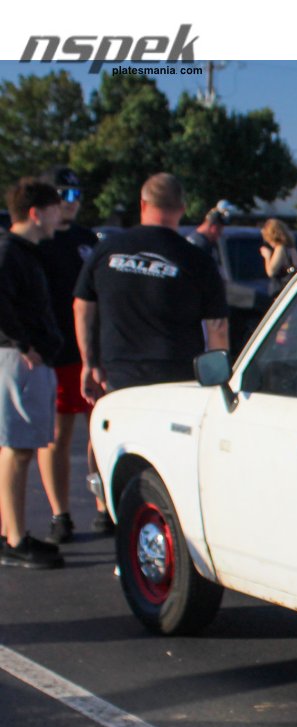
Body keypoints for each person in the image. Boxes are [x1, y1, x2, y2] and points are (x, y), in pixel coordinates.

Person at [75, 173, 229, 399]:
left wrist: (89, 363)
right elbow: (218, 327)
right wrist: (217, 378)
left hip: (118, 373)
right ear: (182, 209)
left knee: (116, 433)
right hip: (176, 376)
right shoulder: (197, 260)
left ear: (143, 204)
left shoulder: (107, 249)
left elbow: (82, 308)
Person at [36, 166, 108, 542]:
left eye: (78, 195)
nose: (73, 203)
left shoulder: (87, 241)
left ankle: (103, 506)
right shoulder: (37, 243)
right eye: (65, 195)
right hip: (58, 352)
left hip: (92, 351)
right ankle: (59, 513)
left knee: (99, 429)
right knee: (58, 436)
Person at [0, 178, 65, 569]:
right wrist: (23, 344)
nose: (61, 214)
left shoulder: (22, 251)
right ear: (36, 213)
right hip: (18, 361)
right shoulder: (9, 252)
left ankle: (14, 534)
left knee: (19, 449)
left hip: (24, 358)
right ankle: (16, 539)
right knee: (17, 449)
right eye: (56, 207)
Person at [259, 218, 297, 297]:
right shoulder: (291, 248)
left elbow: (271, 272)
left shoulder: (280, 248)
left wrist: (267, 256)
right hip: (293, 288)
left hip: (282, 290)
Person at [188, 206, 227, 274]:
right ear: (213, 228)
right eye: (219, 231)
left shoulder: (191, 238)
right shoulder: (203, 246)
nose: (219, 235)